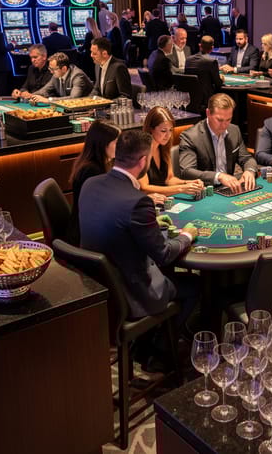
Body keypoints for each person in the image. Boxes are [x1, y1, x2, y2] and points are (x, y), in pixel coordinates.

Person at [78, 129, 199, 373]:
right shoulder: (137, 201)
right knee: (196, 286)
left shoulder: (90, 184)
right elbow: (163, 253)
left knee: (170, 275)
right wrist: (187, 235)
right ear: (143, 161)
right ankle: (162, 352)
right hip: (128, 295)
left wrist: (152, 223)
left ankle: (145, 343)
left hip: (96, 289)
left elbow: (119, 228)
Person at [178, 93, 257, 192]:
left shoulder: (234, 131)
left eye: (228, 120)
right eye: (219, 120)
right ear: (208, 113)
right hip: (204, 191)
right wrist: (218, 176)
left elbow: (246, 158)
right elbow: (187, 171)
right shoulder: (191, 136)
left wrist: (250, 171)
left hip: (229, 189)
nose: (224, 125)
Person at [67, 121, 120, 246]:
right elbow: (105, 207)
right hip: (87, 237)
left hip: (92, 228)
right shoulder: (91, 171)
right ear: (103, 144)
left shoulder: (101, 163)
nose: (121, 146)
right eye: (117, 142)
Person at [138, 106, 204, 196]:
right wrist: (181, 189)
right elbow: (144, 188)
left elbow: (169, 179)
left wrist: (188, 183)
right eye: (163, 131)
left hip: (164, 200)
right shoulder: (140, 151)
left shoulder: (163, 148)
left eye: (170, 130)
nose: (168, 135)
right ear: (151, 129)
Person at [185, 35, 223, 109]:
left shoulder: (188, 60)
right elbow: (218, 83)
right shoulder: (212, 61)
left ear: (200, 45)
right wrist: (222, 79)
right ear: (212, 48)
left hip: (190, 98)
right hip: (207, 100)